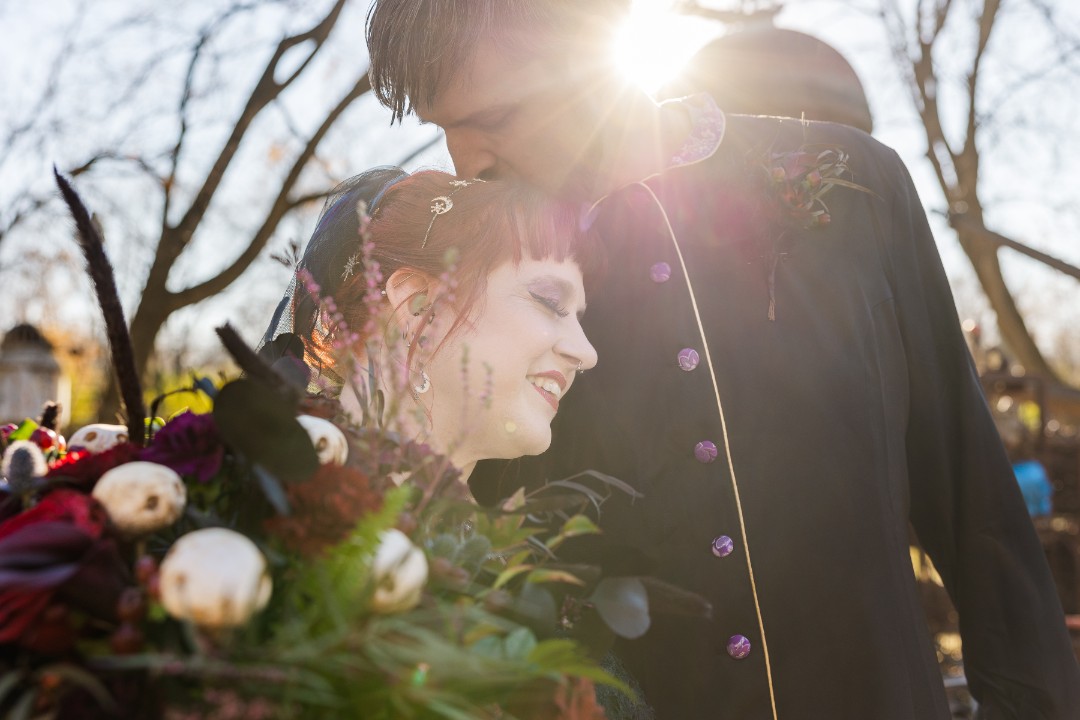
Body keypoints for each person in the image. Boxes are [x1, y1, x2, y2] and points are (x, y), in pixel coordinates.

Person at [365, 2, 1080, 719]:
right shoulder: (487, 279)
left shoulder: (862, 187)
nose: (466, 159)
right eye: (442, 129)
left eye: (492, 117)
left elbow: (972, 498)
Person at [262, 167, 598, 482]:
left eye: (578, 318)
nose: (587, 353)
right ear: (417, 303)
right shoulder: (236, 505)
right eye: (549, 302)